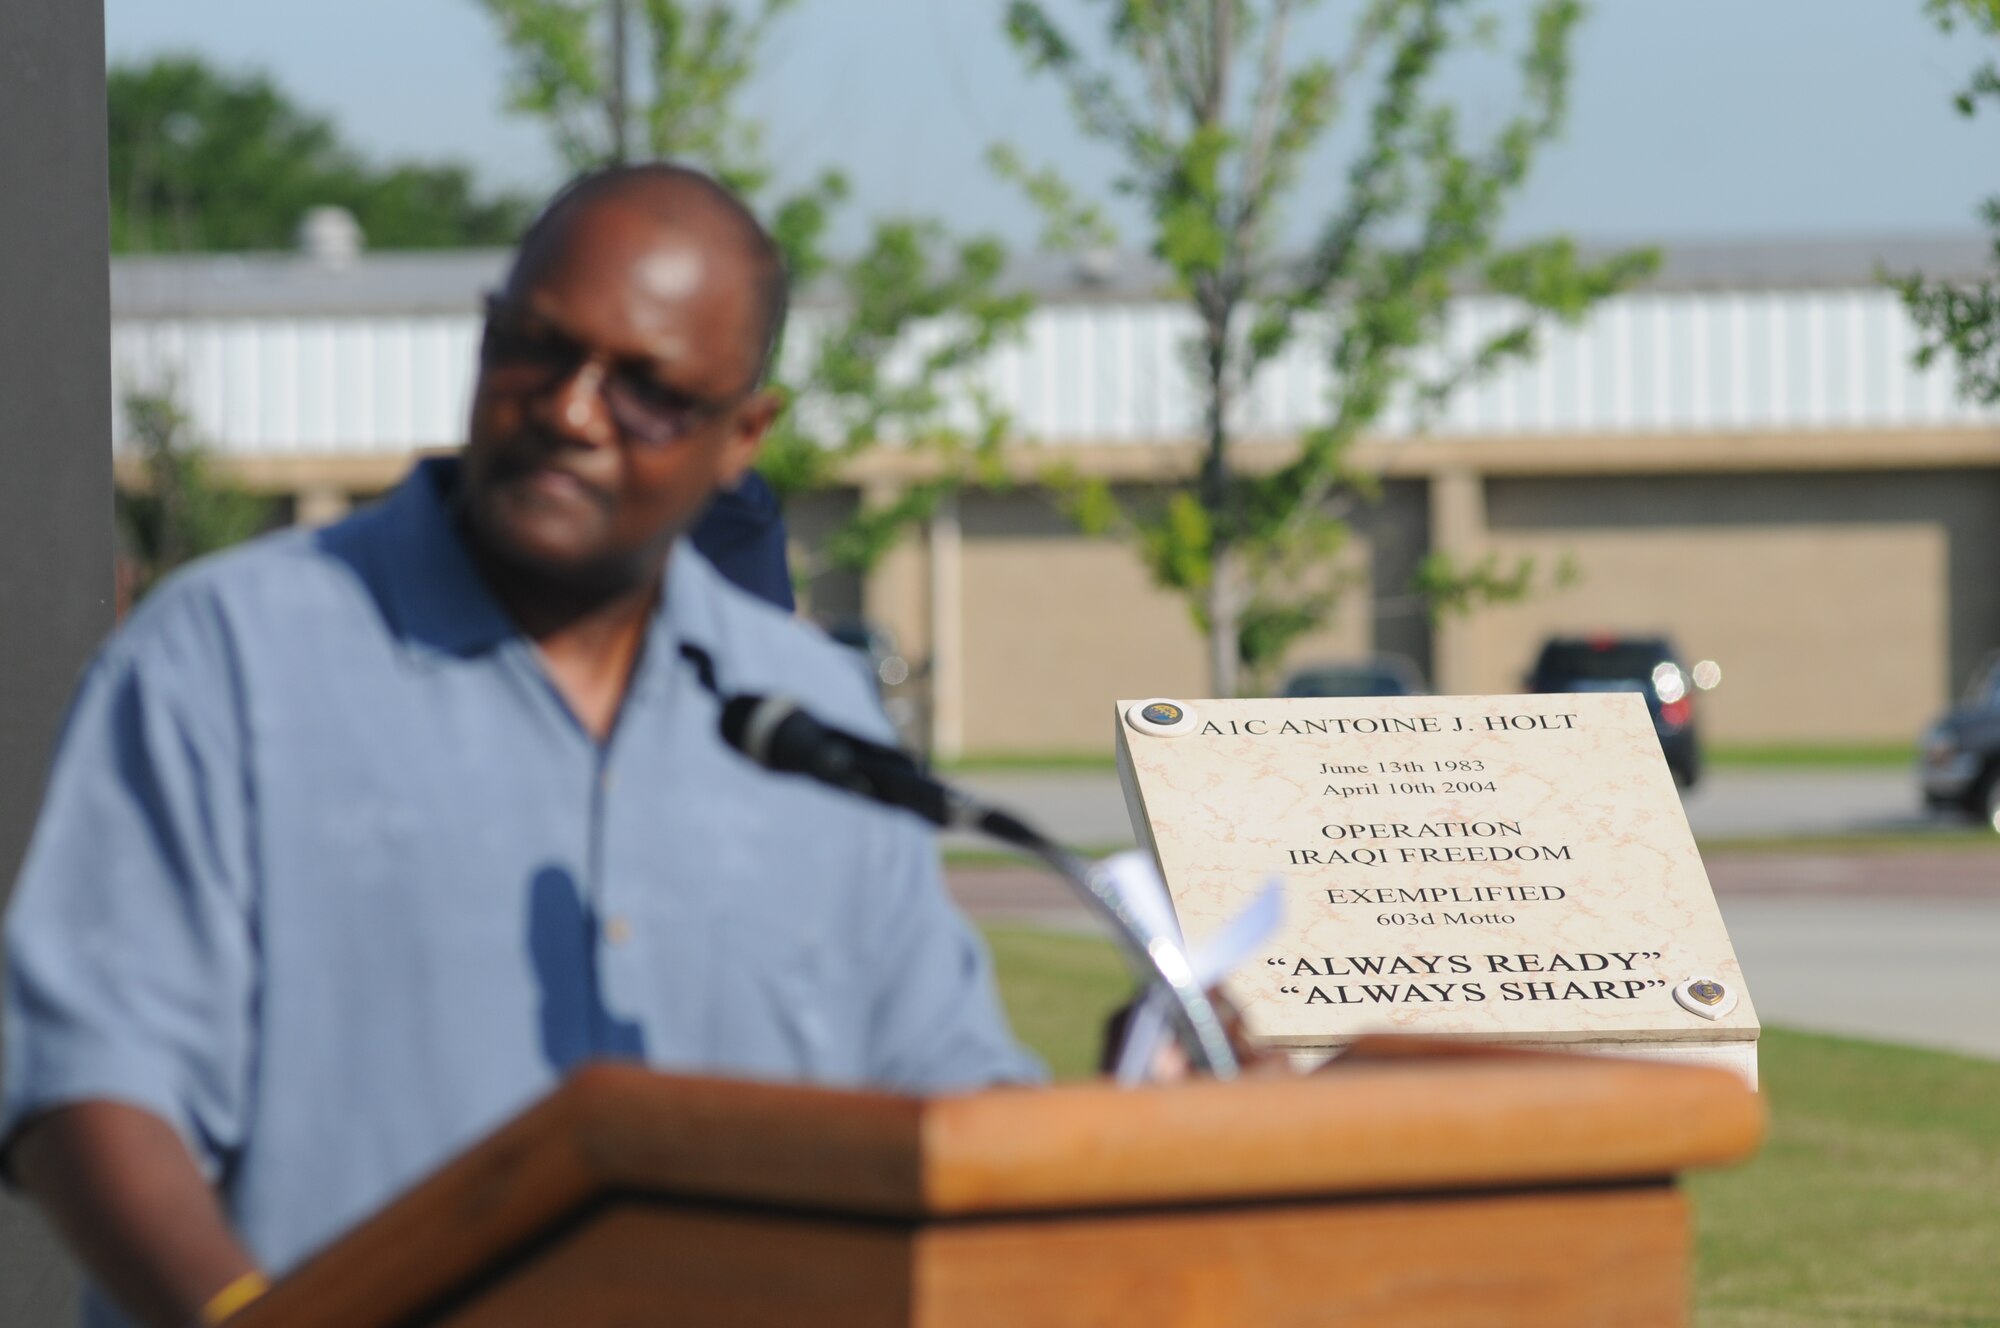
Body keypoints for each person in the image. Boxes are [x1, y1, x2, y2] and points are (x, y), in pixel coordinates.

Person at [0, 163, 1039, 1328]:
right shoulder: (223, 657)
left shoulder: (816, 714)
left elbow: (941, 1091)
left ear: (743, 434)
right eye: (536, 349)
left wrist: (1148, 1092)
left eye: (646, 388)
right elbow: (88, 1081)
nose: (570, 410)